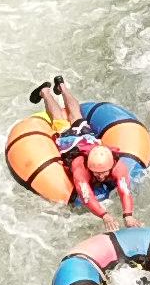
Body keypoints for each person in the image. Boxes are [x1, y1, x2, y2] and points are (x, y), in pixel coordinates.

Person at [28, 76, 138, 225]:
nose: (100, 177)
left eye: (104, 172)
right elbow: (86, 196)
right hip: (71, 142)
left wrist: (128, 215)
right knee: (59, 118)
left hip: (87, 138)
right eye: (97, 173)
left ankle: (62, 87)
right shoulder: (80, 168)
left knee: (76, 114)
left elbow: (125, 191)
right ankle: (45, 91)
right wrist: (104, 214)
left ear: (111, 165)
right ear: (89, 166)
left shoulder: (117, 167)